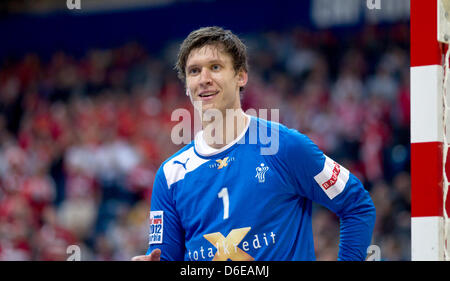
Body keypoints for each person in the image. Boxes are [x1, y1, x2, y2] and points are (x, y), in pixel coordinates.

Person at [132, 26, 376, 261]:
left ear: (241, 76)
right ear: (186, 85)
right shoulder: (170, 174)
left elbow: (357, 205)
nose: (204, 79)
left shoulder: (285, 147)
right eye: (194, 71)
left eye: (215, 67)